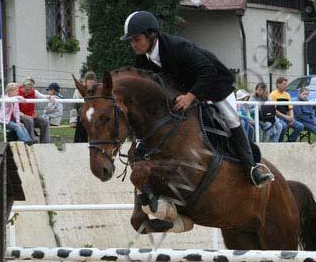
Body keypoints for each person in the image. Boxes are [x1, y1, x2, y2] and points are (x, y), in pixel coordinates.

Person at [121, 10, 274, 186]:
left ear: (151, 34)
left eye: (136, 39)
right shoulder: (143, 58)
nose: (133, 45)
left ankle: (252, 168)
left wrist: (190, 97)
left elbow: (208, 71)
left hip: (215, 84)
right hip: (184, 88)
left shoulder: (178, 47)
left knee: (231, 119)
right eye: (131, 41)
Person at [269, 77, 303, 142]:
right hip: (277, 118)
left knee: (300, 126)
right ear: (278, 84)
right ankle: (280, 142)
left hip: (286, 117)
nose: (286, 86)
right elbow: (274, 110)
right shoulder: (273, 94)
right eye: (284, 84)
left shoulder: (287, 95)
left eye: (286, 84)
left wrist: (291, 117)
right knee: (283, 126)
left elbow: (290, 108)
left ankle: (290, 141)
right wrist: (286, 117)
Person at [18, 78, 51, 143]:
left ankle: (45, 143)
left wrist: (50, 97)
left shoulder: (34, 92)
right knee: (29, 120)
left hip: (31, 116)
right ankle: (31, 142)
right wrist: (26, 116)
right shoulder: (17, 92)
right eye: (27, 89)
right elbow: (15, 110)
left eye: (31, 89)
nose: (29, 91)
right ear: (23, 87)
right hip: (20, 115)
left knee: (45, 121)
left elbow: (43, 96)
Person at [73, 71, 97, 143]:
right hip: (82, 117)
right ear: (85, 81)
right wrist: (73, 121)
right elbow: (74, 106)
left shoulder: (97, 91)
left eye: (92, 79)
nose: (91, 81)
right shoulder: (78, 91)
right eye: (89, 79)